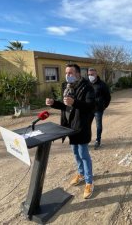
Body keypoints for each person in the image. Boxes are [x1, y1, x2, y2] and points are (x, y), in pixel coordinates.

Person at [45, 63, 95, 199]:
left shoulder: (87, 87)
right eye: (66, 73)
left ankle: (89, 182)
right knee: (75, 153)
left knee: (83, 153)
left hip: (81, 126)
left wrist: (75, 103)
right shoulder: (66, 86)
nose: (68, 75)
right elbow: (66, 106)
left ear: (78, 74)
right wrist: (54, 103)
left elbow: (90, 106)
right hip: (69, 126)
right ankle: (81, 173)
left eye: (71, 73)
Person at [88, 68, 111, 149]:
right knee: (87, 125)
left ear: (96, 74)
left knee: (98, 126)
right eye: (89, 75)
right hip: (88, 109)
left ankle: (98, 140)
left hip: (98, 109)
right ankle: (87, 140)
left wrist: (104, 106)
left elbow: (108, 97)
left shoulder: (102, 84)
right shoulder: (87, 84)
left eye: (92, 74)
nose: (90, 76)